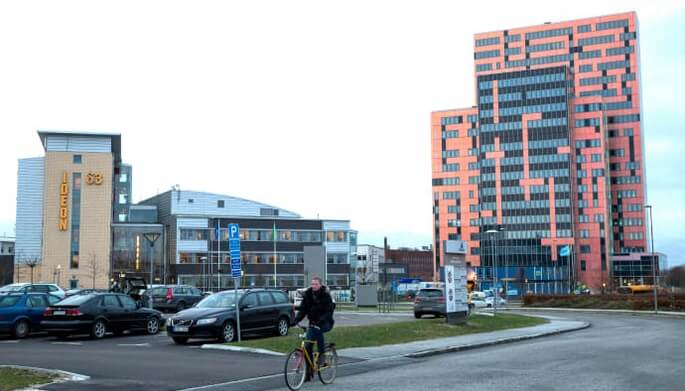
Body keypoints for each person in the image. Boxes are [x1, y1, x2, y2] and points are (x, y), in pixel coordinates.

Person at [293, 276, 335, 381]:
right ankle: (308, 372)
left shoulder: (325, 296)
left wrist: (322, 320)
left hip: (325, 323)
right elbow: (303, 309)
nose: (314, 286)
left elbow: (329, 312)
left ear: (320, 285)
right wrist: (296, 319)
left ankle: (321, 355)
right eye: (312, 284)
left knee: (318, 330)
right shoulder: (308, 295)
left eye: (316, 284)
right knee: (307, 347)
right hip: (313, 323)